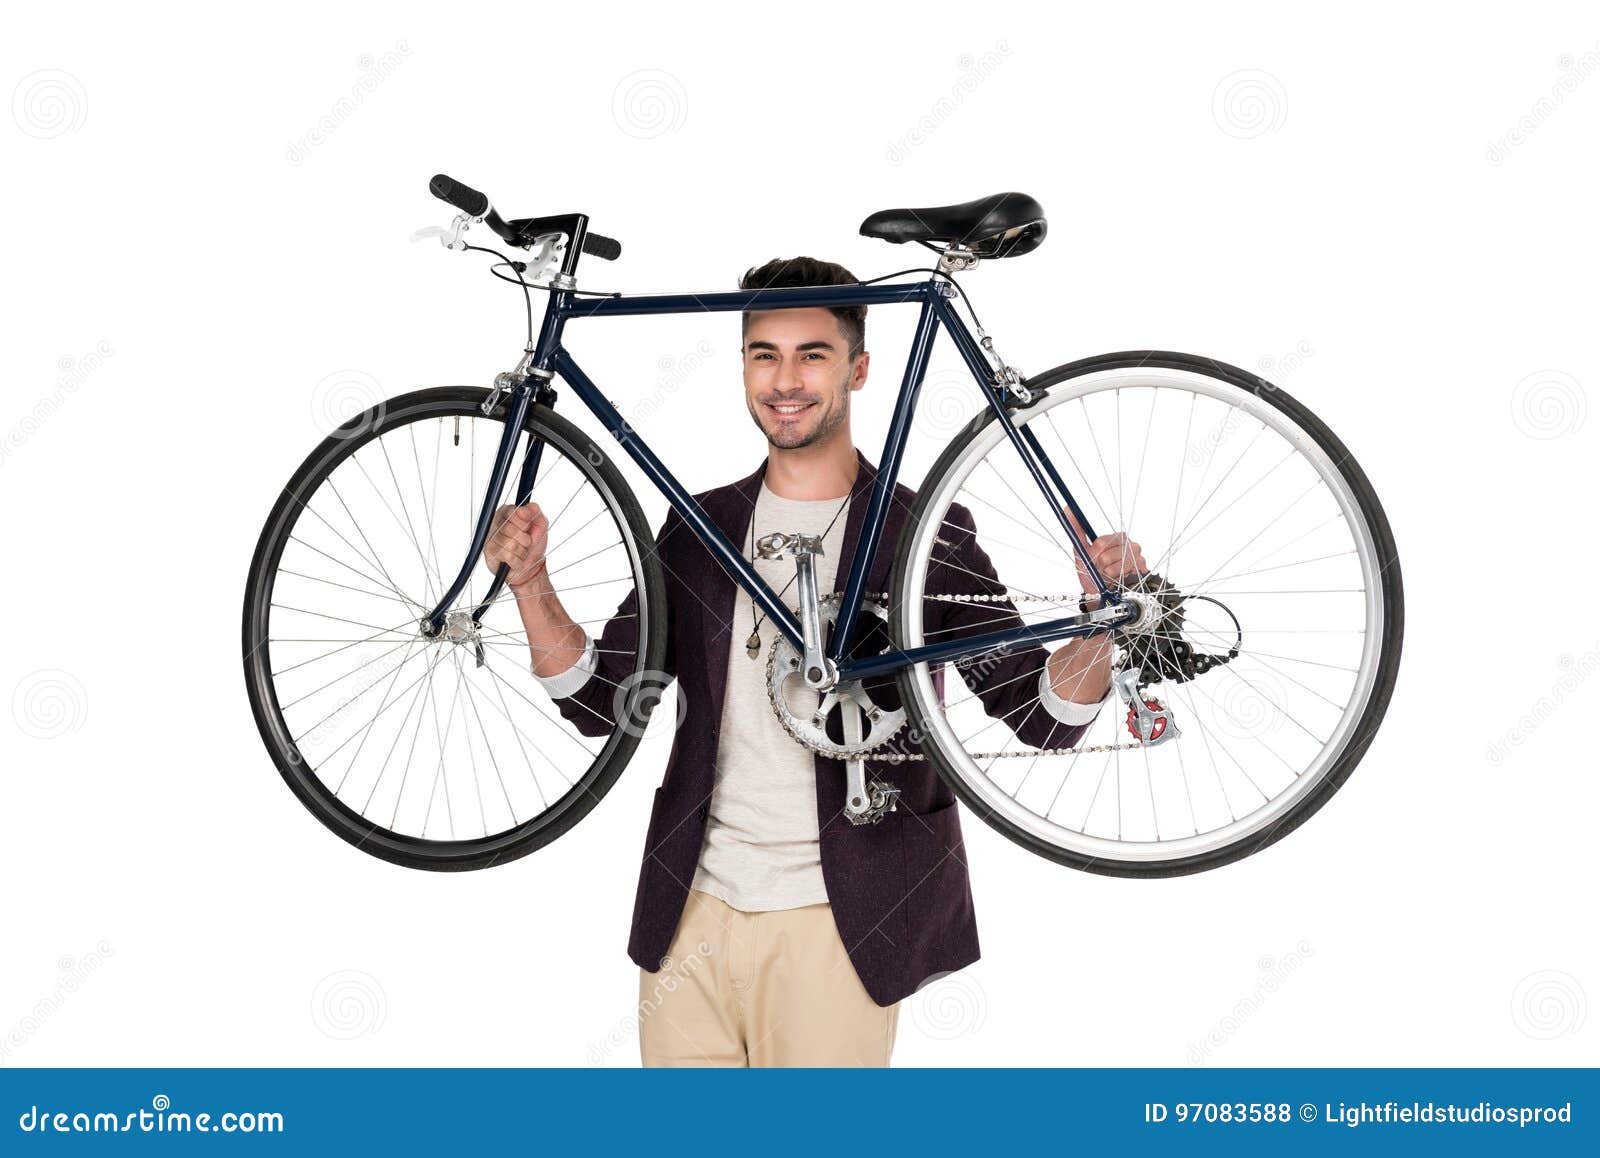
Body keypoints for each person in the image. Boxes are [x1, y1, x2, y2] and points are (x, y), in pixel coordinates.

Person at [483, 257, 1146, 1066]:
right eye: (764, 354)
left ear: (858, 368)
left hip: (844, 920)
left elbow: (1039, 715)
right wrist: (530, 584)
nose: (785, 379)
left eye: (812, 354)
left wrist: (1107, 623)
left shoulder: (924, 527)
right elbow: (601, 704)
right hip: (690, 913)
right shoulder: (700, 527)